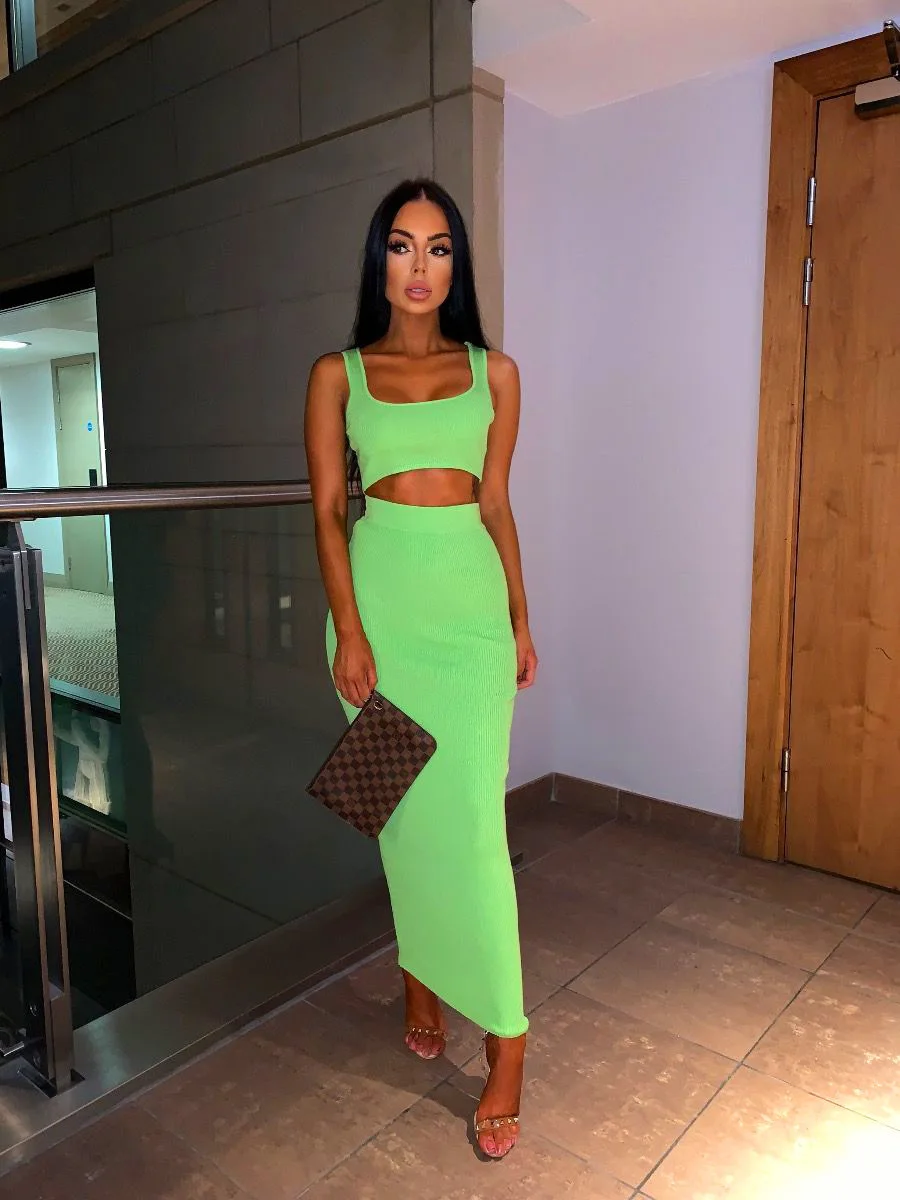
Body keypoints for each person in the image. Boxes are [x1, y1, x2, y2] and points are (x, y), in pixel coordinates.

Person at [304, 178, 538, 1160]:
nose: (419, 266)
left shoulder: (497, 372)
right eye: (402, 246)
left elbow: (496, 505)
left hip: (469, 618)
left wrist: (520, 616)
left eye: (438, 248)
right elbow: (328, 512)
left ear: (456, 265)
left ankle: (510, 1039)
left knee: (473, 826)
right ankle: (420, 976)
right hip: (382, 614)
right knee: (400, 816)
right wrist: (349, 630)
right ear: (380, 259)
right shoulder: (337, 374)